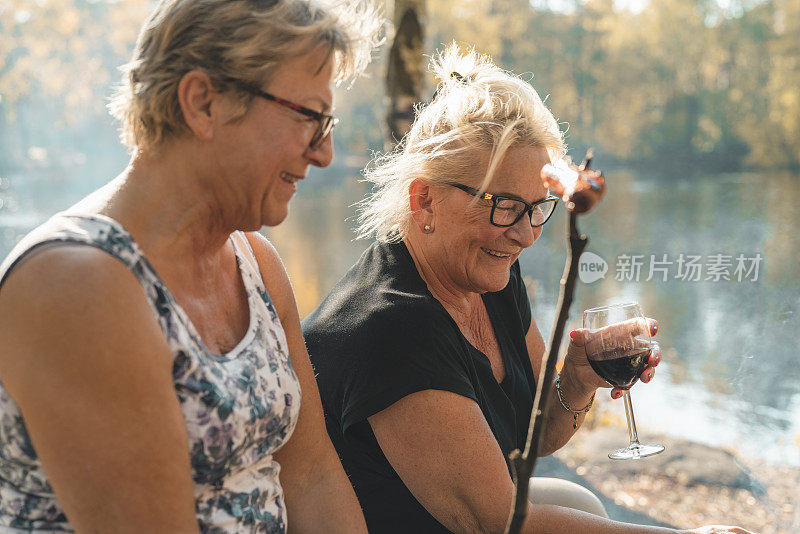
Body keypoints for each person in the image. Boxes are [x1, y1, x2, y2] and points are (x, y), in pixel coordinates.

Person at [302, 44, 753, 534]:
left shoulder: (486, 274)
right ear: (425, 199)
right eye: (503, 205)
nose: (526, 233)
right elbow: (499, 523)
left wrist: (578, 379)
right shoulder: (391, 327)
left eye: (538, 207)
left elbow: (535, 435)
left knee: (579, 501)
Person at [0, 0, 381, 531]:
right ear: (203, 103)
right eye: (309, 118)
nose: (325, 152)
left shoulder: (257, 263)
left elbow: (311, 474)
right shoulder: (75, 282)